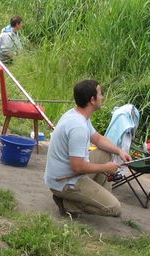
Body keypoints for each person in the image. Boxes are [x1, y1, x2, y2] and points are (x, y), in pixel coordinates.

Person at [44, 79, 131, 217]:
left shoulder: (78, 114)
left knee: (105, 153)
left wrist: (119, 151)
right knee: (114, 208)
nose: (102, 97)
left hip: (65, 174)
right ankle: (68, 203)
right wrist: (106, 168)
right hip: (64, 181)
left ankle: (95, 196)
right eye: (100, 94)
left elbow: (97, 138)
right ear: (92, 100)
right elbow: (78, 167)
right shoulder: (78, 127)